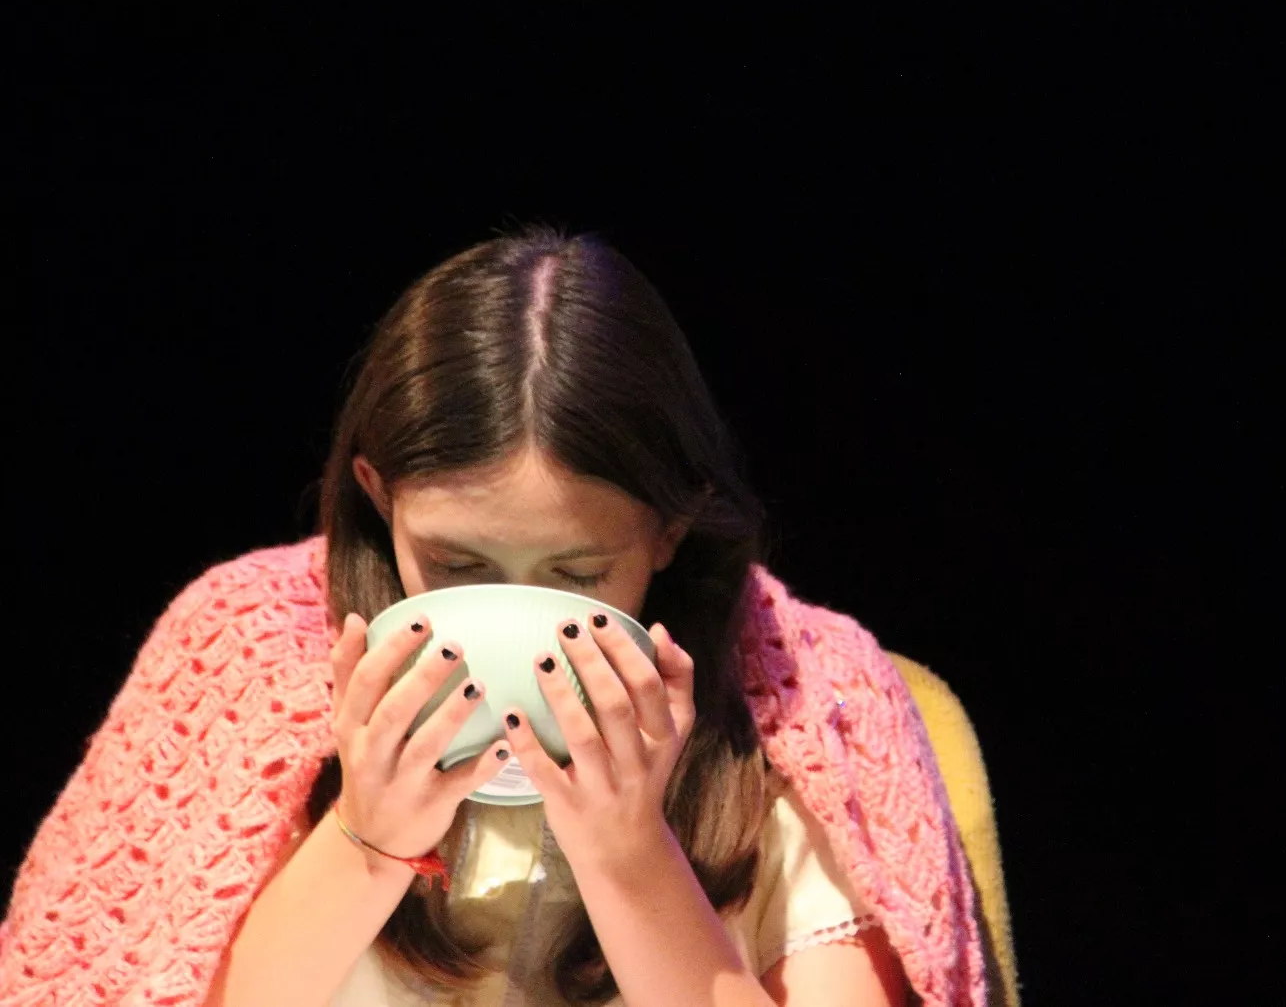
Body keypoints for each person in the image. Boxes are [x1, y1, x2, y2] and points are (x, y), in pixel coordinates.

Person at [0, 226, 988, 1006]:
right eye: (457, 562)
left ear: (669, 531)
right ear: (379, 499)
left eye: (577, 571)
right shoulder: (250, 644)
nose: (514, 603)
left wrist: (630, 854)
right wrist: (365, 841)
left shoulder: (801, 695)